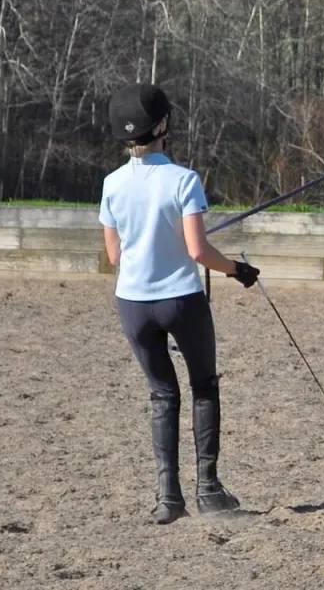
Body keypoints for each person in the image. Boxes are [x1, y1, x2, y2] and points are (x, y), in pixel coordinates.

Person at [99, 82, 260, 524]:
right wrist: (237, 271)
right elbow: (197, 252)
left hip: (132, 304)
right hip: (181, 302)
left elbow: (114, 256)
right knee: (204, 385)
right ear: (164, 125)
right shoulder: (184, 180)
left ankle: (168, 499)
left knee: (161, 393)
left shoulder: (111, 184)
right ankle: (208, 491)